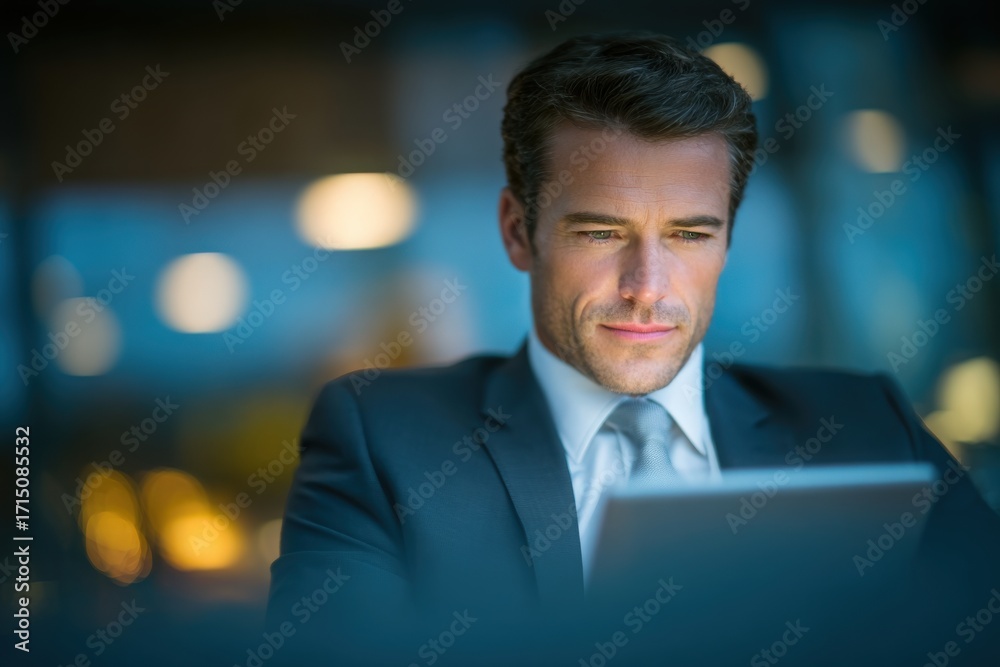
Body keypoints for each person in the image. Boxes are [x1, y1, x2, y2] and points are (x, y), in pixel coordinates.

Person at [266, 32, 1000, 665]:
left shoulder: (862, 425)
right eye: (601, 233)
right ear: (519, 231)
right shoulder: (384, 439)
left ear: (727, 240)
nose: (647, 287)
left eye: (689, 234)